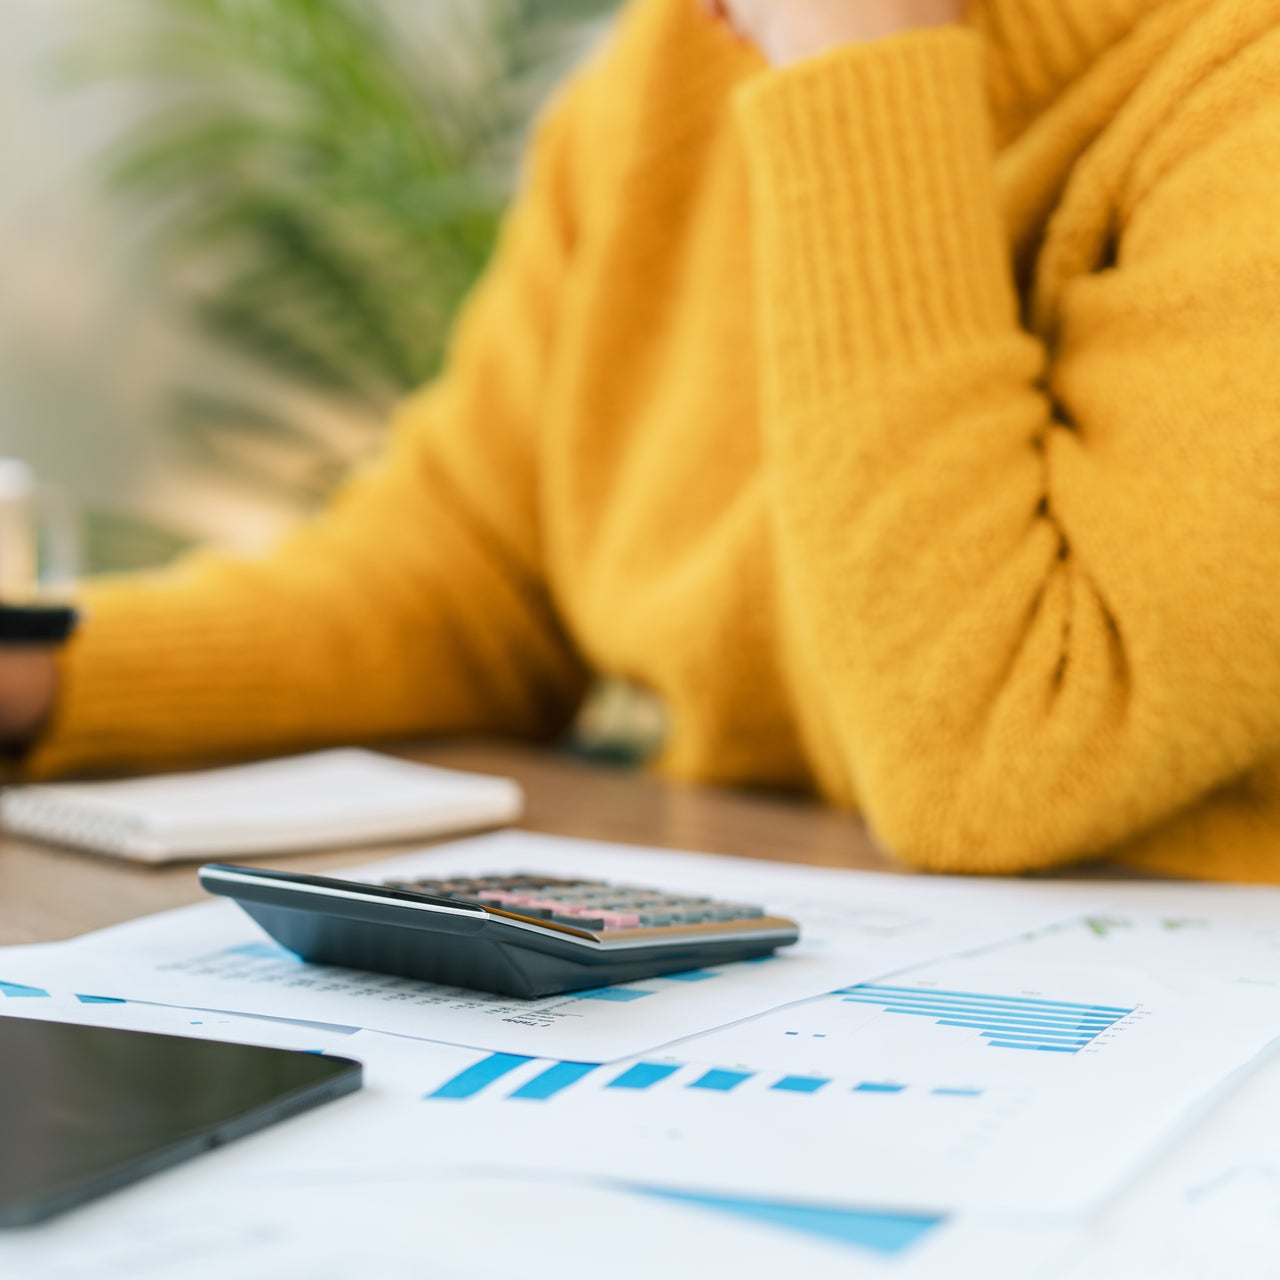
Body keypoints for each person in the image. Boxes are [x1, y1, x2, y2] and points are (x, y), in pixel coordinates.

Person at [2, 0, 1279, 881]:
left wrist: (859, 57)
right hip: (809, 959)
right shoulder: (668, 72)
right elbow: (464, 581)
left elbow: (999, 757)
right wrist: (39, 677)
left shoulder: (1235, 83)